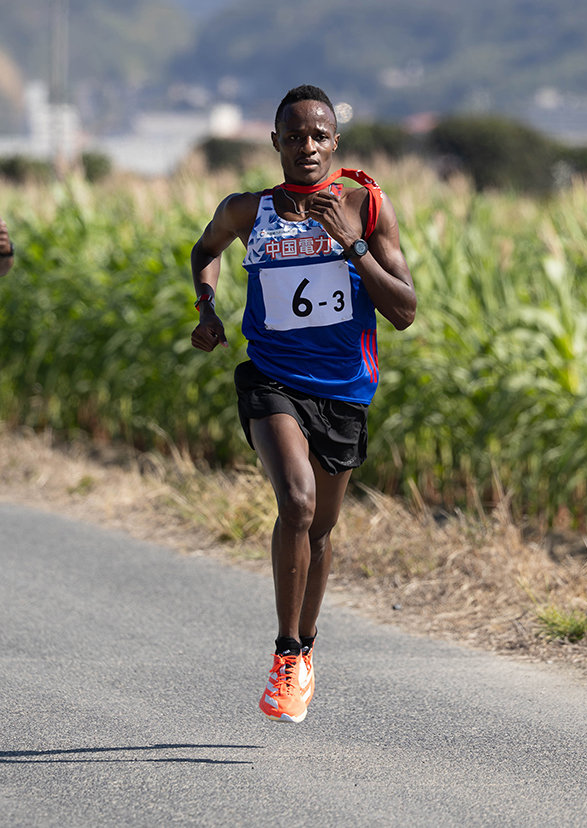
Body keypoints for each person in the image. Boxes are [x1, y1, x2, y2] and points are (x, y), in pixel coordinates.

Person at [190, 84, 416, 723]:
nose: (307, 147)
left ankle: (307, 649)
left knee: (319, 532)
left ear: (335, 142)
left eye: (319, 136)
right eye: (294, 136)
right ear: (276, 143)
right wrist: (206, 309)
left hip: (343, 390)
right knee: (296, 502)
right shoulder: (247, 211)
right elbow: (203, 252)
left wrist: (351, 244)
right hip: (271, 379)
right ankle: (286, 653)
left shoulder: (365, 206)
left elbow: (403, 311)